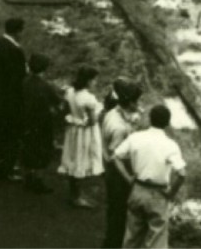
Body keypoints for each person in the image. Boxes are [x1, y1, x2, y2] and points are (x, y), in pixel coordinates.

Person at [111, 105, 187, 249]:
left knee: (132, 235)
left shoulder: (136, 137)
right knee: (155, 241)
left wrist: (128, 178)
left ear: (150, 119)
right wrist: (171, 194)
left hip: (137, 189)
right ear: (167, 123)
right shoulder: (170, 145)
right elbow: (182, 174)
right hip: (158, 194)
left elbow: (115, 157)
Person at [0, 18, 27, 182]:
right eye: (22, 31)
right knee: (11, 133)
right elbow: (20, 76)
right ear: (17, 32)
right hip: (12, 99)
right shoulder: (15, 50)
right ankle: (7, 169)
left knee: (0, 130)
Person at [101, 80, 143, 248]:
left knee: (114, 210)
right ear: (130, 102)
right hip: (118, 174)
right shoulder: (119, 128)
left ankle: (111, 242)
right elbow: (115, 155)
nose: (138, 105)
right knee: (119, 213)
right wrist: (129, 179)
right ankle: (113, 245)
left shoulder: (113, 112)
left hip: (110, 170)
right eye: (136, 101)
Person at [59, 66, 105, 208]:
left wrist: (73, 118)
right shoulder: (88, 98)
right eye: (94, 79)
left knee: (73, 159)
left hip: (73, 131)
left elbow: (65, 110)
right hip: (84, 134)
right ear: (88, 81)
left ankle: (76, 193)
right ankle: (77, 197)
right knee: (81, 159)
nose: (95, 82)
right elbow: (92, 121)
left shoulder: (70, 92)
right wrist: (100, 110)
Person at [21, 53, 62, 194]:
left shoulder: (24, 82)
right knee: (42, 150)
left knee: (28, 147)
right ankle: (38, 180)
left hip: (26, 121)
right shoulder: (46, 86)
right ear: (45, 68)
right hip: (42, 122)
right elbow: (58, 101)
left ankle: (28, 176)